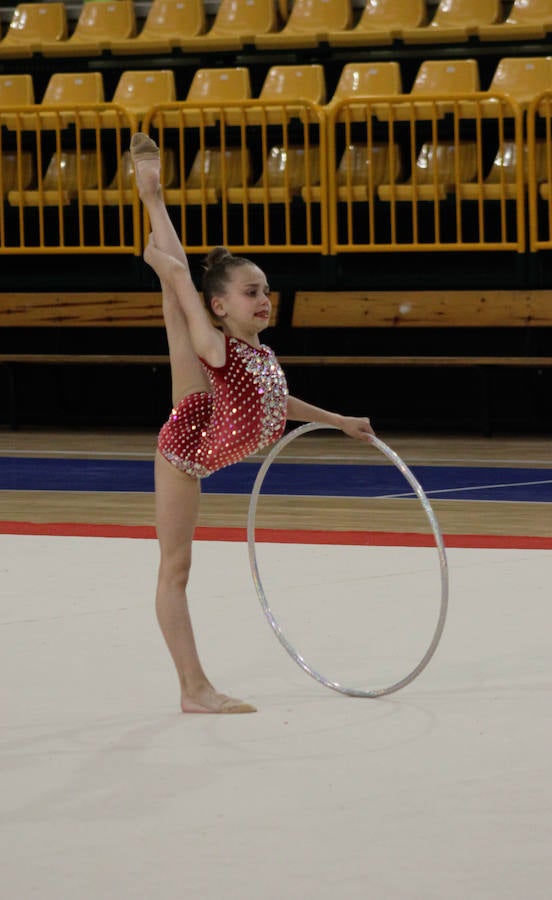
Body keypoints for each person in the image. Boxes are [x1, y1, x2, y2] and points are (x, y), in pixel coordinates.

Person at [130, 133, 375, 714]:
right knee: (177, 567)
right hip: (186, 447)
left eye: (266, 290)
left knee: (181, 307)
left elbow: (274, 404)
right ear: (224, 306)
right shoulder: (217, 346)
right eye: (251, 292)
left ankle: (154, 204)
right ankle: (194, 690)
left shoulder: (260, 357)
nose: (264, 299)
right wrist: (165, 269)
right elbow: (190, 300)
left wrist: (338, 420)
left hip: (210, 411)